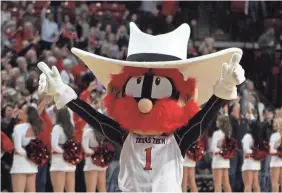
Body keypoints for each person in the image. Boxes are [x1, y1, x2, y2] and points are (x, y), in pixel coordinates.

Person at [37, 22, 245, 191]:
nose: (145, 103)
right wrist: (65, 93)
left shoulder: (176, 136)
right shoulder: (128, 133)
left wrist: (222, 92)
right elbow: (96, 119)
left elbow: (202, 121)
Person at [10, 103, 43, 192]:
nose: (20, 111)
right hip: (32, 165)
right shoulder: (35, 128)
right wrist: (32, 155)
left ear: (27, 116)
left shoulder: (18, 128)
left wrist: (28, 154)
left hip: (20, 164)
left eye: (23, 111)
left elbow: (18, 148)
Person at [49, 107, 76, 192]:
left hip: (59, 162)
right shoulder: (71, 128)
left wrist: (64, 152)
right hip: (70, 163)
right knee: (71, 190)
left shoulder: (57, 127)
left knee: (58, 190)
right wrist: (68, 153)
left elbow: (54, 145)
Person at [82, 124, 107, 192]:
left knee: (91, 190)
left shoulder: (88, 131)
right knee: (102, 189)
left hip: (91, 163)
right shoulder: (103, 130)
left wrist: (94, 152)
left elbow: (85, 148)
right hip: (102, 163)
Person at [211, 115, 232, 192]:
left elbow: (213, 148)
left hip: (217, 161)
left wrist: (219, 150)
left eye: (218, 121)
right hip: (225, 161)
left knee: (217, 184)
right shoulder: (228, 134)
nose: (216, 122)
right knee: (226, 184)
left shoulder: (217, 133)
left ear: (221, 123)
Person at [241, 122, 262, 192]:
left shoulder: (247, 136)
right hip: (256, 162)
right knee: (256, 183)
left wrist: (252, 153)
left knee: (248, 184)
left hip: (248, 162)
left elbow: (246, 149)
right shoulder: (258, 137)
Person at [269, 117, 282, 192]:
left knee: (275, 184)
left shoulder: (274, 136)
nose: (273, 124)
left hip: (275, 162)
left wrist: (278, 152)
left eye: (274, 123)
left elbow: (271, 151)